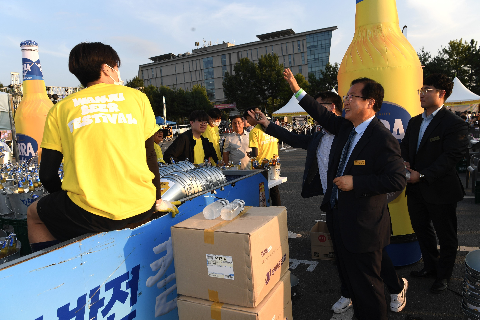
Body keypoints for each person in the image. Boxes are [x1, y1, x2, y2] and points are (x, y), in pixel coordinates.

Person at [26, 42, 177, 252]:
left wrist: (66, 201)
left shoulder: (60, 109)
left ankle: (53, 272)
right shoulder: (137, 98)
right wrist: (155, 200)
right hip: (142, 205)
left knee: (34, 215)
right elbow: (149, 154)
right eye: (116, 67)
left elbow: (48, 175)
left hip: (88, 213)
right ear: (108, 68)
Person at [283, 68, 407, 320]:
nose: (346, 100)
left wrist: (357, 182)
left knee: (369, 289)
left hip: (364, 226)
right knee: (354, 283)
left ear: (370, 103)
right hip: (339, 218)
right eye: (346, 96)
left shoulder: (381, 138)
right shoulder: (345, 128)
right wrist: (297, 90)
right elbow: (318, 111)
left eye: (352, 96)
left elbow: (396, 178)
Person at [400, 73, 468, 294]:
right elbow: (405, 148)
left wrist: (422, 175)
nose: (422, 93)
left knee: (446, 235)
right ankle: (430, 267)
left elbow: (451, 157)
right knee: (422, 230)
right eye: (421, 89)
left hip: (441, 189)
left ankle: (444, 276)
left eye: (427, 89)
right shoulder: (414, 121)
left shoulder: (454, 123)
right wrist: (405, 161)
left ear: (442, 94)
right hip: (415, 188)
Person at [244, 108, 281, 206]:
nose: (247, 122)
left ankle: (267, 215)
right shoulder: (271, 128)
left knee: (263, 192)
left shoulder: (254, 132)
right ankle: (279, 212)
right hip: (275, 163)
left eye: (247, 119)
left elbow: (255, 153)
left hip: (262, 166)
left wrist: (249, 154)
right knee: (275, 191)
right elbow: (277, 145)